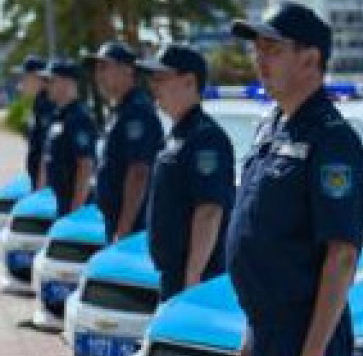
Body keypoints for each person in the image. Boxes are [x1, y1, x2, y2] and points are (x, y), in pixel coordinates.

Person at [226, 2, 363, 356]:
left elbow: (341, 254)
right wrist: (252, 329)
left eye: (272, 48)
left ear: (310, 59)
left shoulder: (332, 139)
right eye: (257, 49)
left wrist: (312, 353)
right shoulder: (271, 127)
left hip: (303, 333)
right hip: (269, 330)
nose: (259, 59)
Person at [138, 44, 235, 301]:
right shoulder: (177, 134)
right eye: (153, 79)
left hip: (195, 278)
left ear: (189, 82)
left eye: (162, 78)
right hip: (173, 274)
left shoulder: (205, 137)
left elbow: (209, 211)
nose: (154, 87)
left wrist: (193, 279)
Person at [85, 41, 165, 241]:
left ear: (127, 71)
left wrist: (124, 229)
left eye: (105, 67)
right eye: (97, 69)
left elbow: (139, 172)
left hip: (134, 225)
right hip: (116, 220)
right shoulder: (120, 111)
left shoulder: (136, 112)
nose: (98, 76)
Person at [40, 59, 97, 218]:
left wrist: (75, 212)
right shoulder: (59, 115)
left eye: (51, 80)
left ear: (67, 83)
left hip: (72, 205)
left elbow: (85, 166)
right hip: (58, 202)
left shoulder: (79, 117)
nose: (47, 85)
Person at [11, 55, 55, 189]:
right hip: (38, 180)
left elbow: (47, 152)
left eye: (25, 77)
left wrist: (41, 188)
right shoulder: (38, 104)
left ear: (39, 79)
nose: (21, 83)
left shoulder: (48, 106)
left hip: (47, 186)